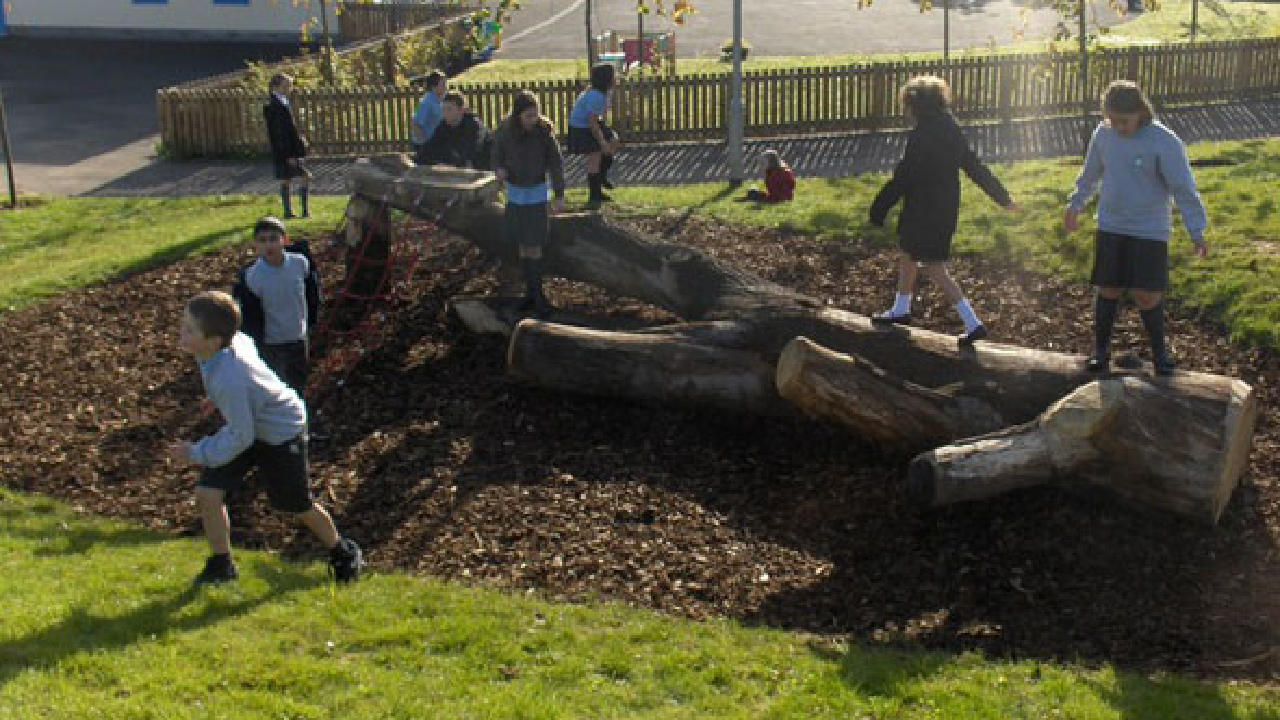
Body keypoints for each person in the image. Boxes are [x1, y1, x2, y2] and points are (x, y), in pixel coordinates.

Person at [168, 290, 363, 585]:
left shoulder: (229, 378)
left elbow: (239, 435)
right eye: (184, 324)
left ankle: (343, 552)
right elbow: (246, 348)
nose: (181, 333)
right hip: (248, 426)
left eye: (190, 330)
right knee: (208, 493)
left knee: (295, 504)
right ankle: (222, 566)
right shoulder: (226, 347)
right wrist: (228, 400)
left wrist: (196, 452)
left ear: (214, 341)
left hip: (282, 433)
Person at [1065, 80, 1208, 376]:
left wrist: (1197, 230)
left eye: (1124, 121)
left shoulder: (1163, 142)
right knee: (1109, 289)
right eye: (1112, 119)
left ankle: (1160, 355)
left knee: (1147, 295)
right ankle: (1101, 352)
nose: (1118, 126)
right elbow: (1090, 173)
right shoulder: (1103, 135)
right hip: (1112, 224)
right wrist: (1075, 203)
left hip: (1149, 229)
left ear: (1141, 112)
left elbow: (1184, 189)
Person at [869, 74, 1018, 345]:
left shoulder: (921, 135)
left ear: (915, 107)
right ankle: (901, 308)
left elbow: (904, 176)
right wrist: (1002, 197)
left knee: (934, 267)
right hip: (944, 208)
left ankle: (972, 322)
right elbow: (974, 167)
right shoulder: (952, 129)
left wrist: (880, 207)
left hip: (923, 210)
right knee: (908, 253)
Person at [491, 89, 566, 315]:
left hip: (536, 193)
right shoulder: (505, 131)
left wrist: (559, 193)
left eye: (535, 114)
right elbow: (496, 153)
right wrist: (499, 169)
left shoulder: (543, 133)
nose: (533, 120)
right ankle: (529, 292)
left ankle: (538, 293)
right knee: (523, 244)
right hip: (516, 193)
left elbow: (556, 163)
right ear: (518, 116)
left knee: (534, 243)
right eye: (528, 116)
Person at [231, 216, 320, 399]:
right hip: (272, 343)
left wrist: (311, 322)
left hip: (298, 337)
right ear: (255, 245)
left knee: (298, 386)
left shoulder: (299, 263)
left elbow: (312, 295)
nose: (269, 245)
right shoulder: (253, 277)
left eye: (273, 239)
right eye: (262, 241)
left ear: (285, 240)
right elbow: (250, 317)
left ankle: (299, 422)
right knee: (276, 390)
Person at [566, 63, 620, 204]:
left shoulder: (604, 93)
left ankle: (601, 176)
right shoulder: (596, 96)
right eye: (614, 75)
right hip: (581, 129)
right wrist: (602, 142)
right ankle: (595, 195)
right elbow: (592, 123)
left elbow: (600, 118)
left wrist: (606, 136)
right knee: (594, 157)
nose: (617, 77)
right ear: (607, 79)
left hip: (593, 124)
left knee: (613, 141)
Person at [263, 73, 311, 219]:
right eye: (286, 85)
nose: (289, 88)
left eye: (289, 85)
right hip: (285, 151)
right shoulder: (274, 106)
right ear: (276, 87)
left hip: (288, 150)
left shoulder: (283, 102)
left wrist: (299, 139)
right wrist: (289, 155)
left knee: (288, 179)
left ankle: (291, 212)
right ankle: (298, 211)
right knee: (304, 177)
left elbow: (290, 128)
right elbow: (279, 133)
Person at [418, 90, 492, 170]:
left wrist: (446, 162)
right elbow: (429, 148)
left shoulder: (473, 126)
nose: (445, 113)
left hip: (484, 172)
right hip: (457, 171)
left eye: (449, 109)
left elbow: (466, 154)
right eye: (443, 109)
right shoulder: (444, 126)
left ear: (461, 110)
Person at [411, 69, 449, 160]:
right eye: (443, 84)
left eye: (446, 84)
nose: (446, 87)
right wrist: (425, 145)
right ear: (433, 87)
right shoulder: (426, 102)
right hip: (426, 146)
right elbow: (415, 123)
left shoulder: (443, 100)